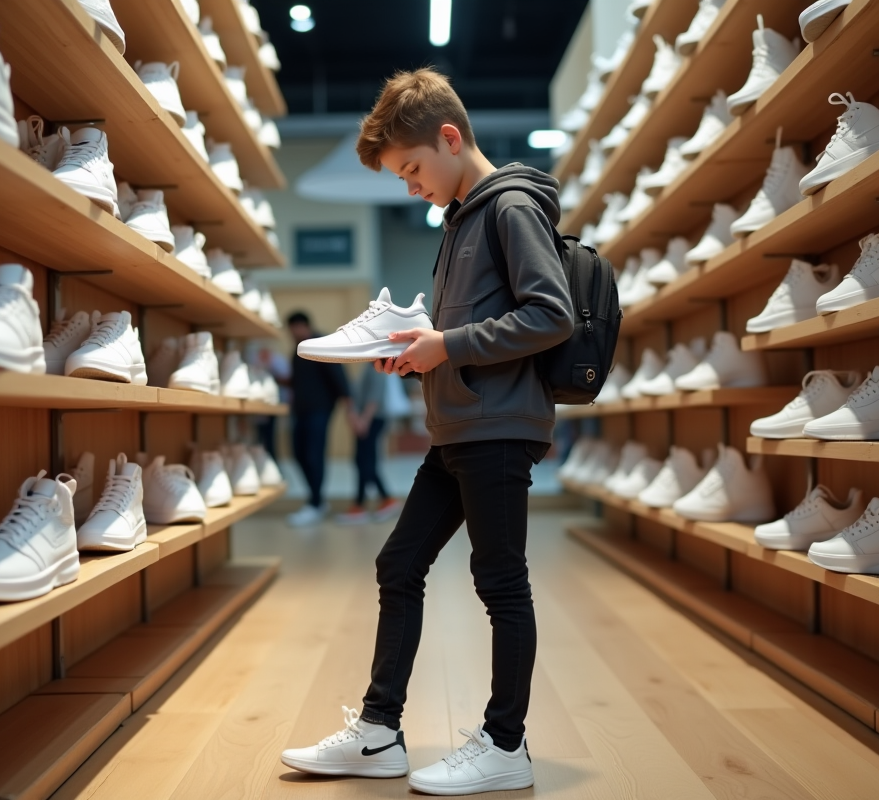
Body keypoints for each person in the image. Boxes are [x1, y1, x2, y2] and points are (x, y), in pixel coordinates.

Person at [279, 68, 573, 795]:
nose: (411, 188)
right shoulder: (460, 220)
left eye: (413, 170)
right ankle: (380, 734)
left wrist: (447, 345)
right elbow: (467, 334)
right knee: (397, 564)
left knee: (501, 583)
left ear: (450, 138)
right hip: (459, 428)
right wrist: (421, 354)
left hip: (498, 429)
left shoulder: (509, 208)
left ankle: (507, 745)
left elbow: (551, 314)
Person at [285, 311, 350, 528]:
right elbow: (296, 382)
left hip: (320, 411)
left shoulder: (322, 345)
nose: (293, 333)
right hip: (300, 411)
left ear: (304, 326)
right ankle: (315, 499)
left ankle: (316, 503)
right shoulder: (297, 351)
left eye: (295, 328)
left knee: (314, 455)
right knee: (298, 453)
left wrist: (351, 410)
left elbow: (339, 379)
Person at [336, 365, 402, 525]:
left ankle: (371, 502)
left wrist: (363, 420)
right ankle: (370, 502)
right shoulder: (370, 367)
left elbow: (374, 397)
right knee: (363, 461)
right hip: (369, 420)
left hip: (371, 420)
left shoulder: (377, 368)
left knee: (365, 461)